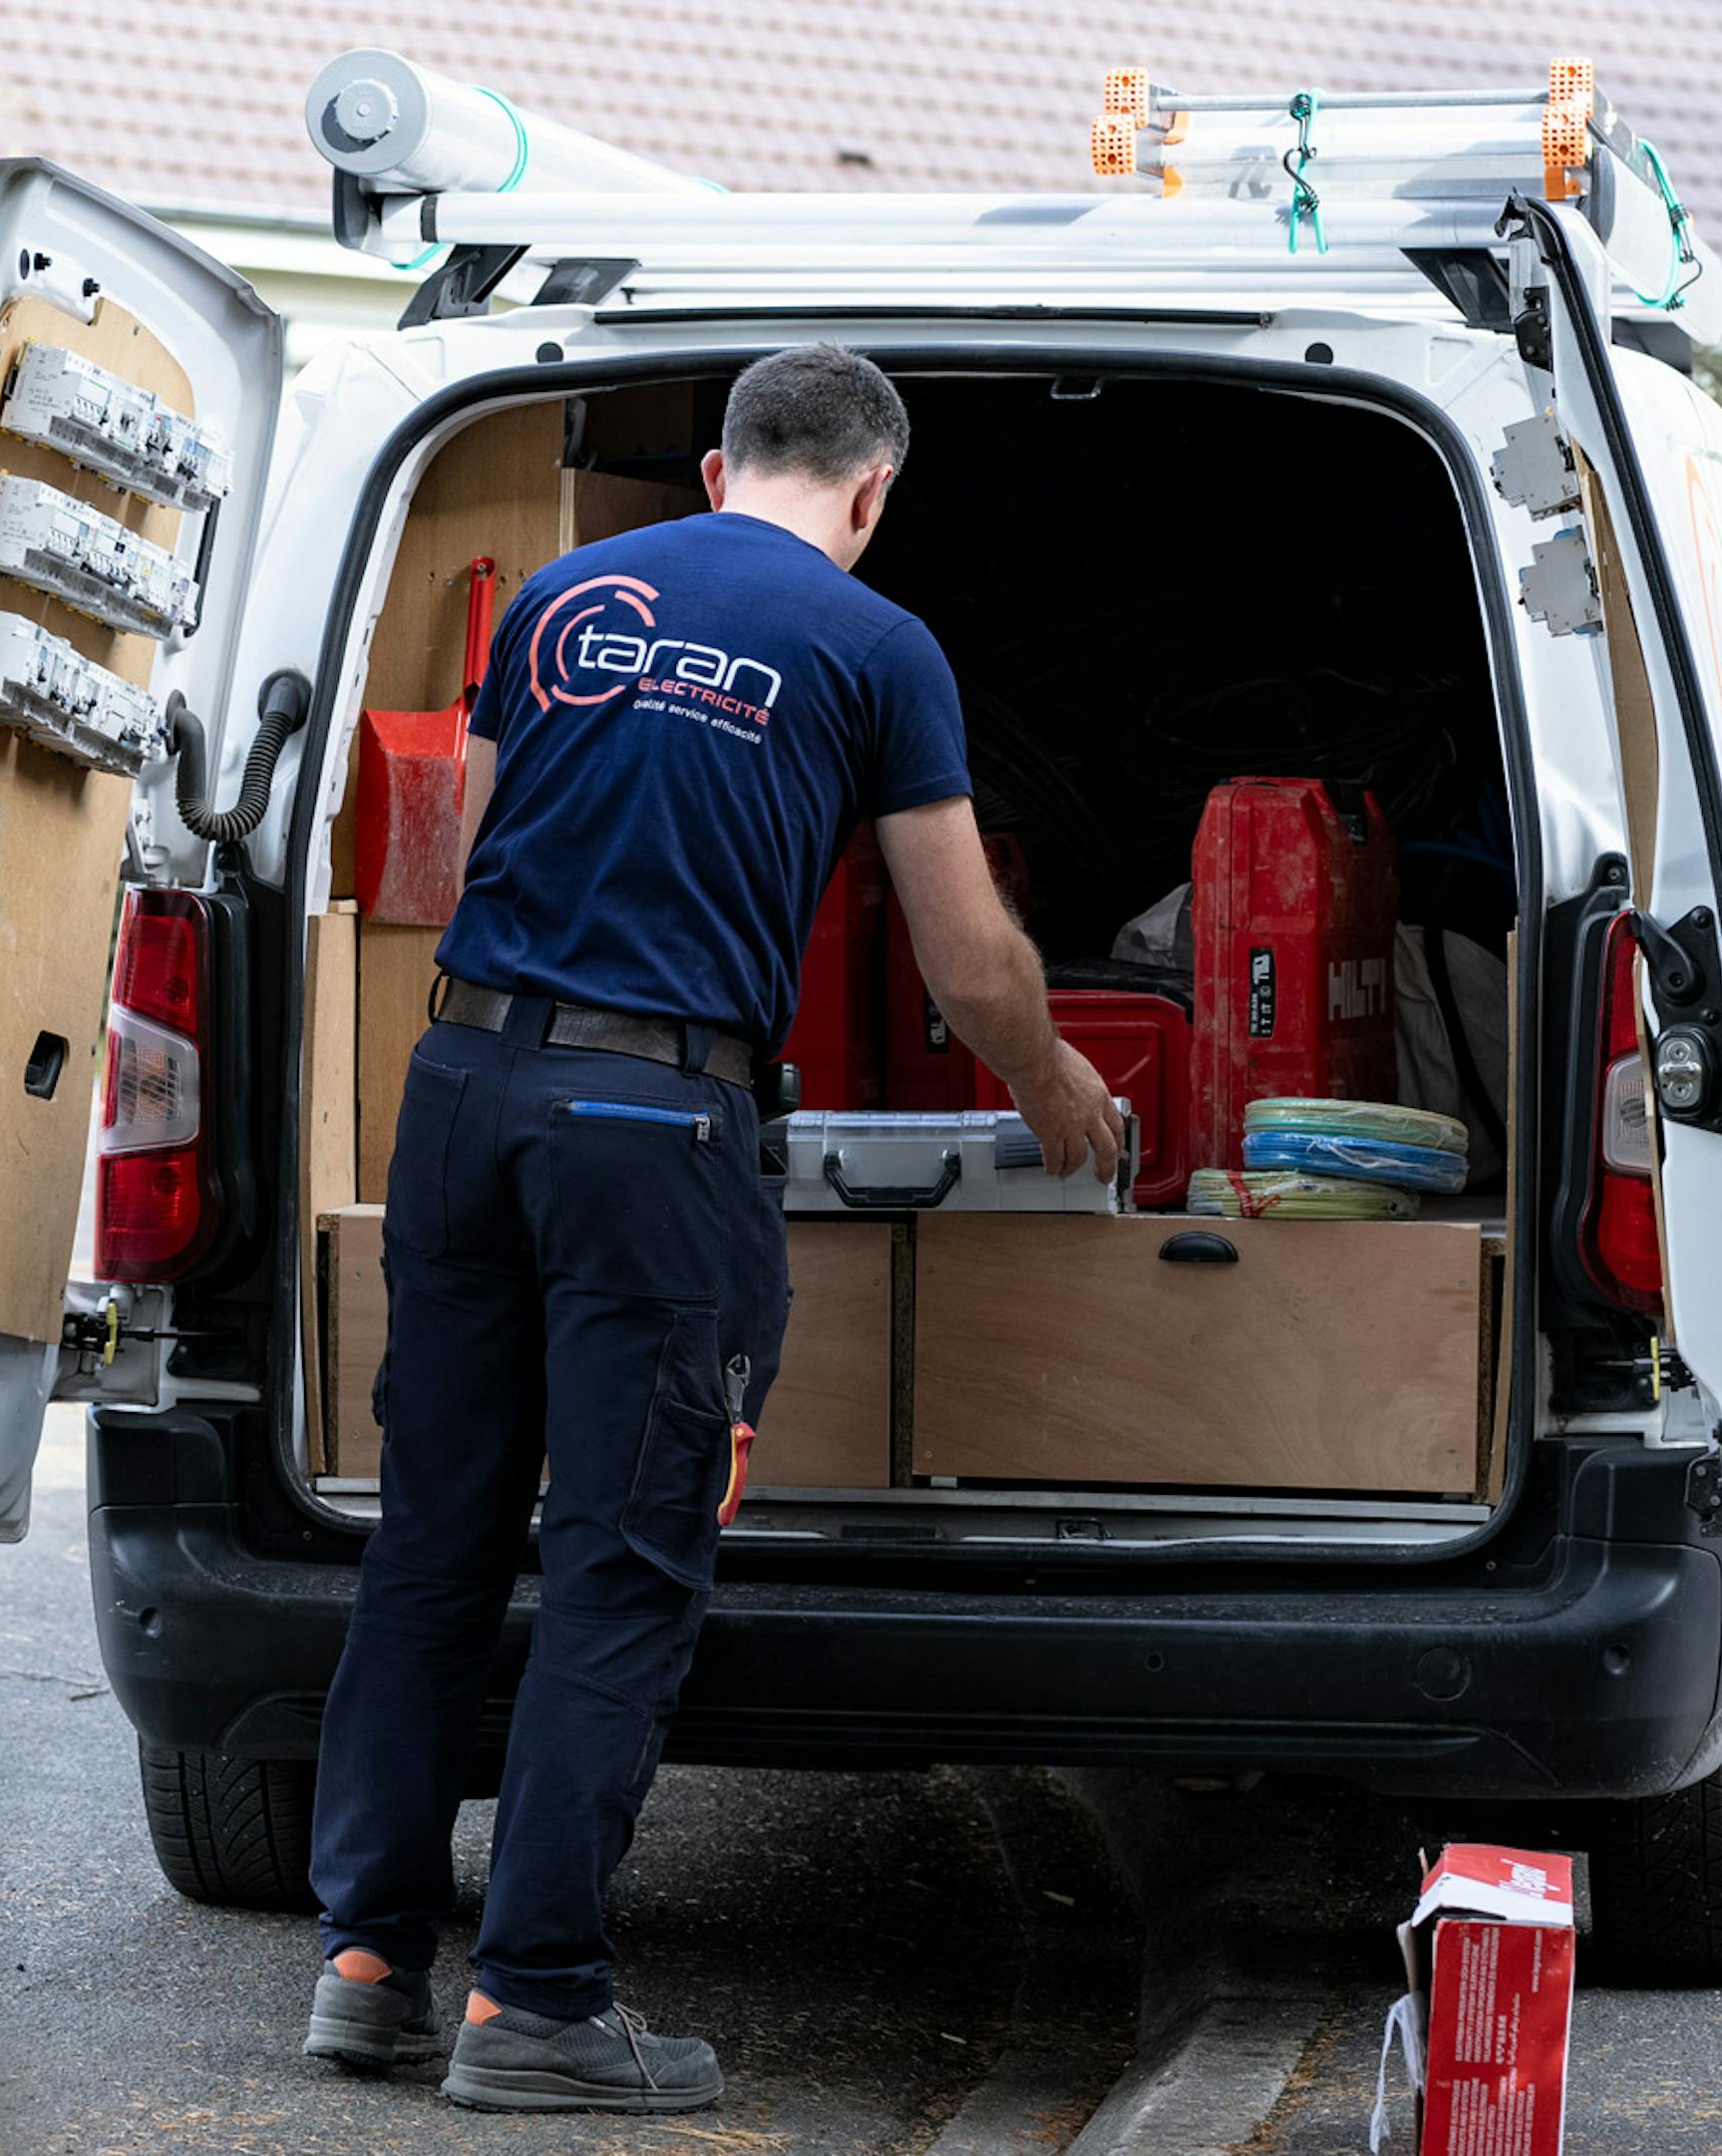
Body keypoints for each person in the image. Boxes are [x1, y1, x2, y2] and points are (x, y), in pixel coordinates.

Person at [297, 345, 1126, 2114]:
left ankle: (367, 1963)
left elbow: (477, 852)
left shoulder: (560, 599)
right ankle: (534, 2006)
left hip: (462, 1088)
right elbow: (966, 956)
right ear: (872, 495)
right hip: (650, 1129)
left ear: (711, 463)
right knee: (619, 1558)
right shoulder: (877, 647)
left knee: (434, 1539)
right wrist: (1056, 1085)